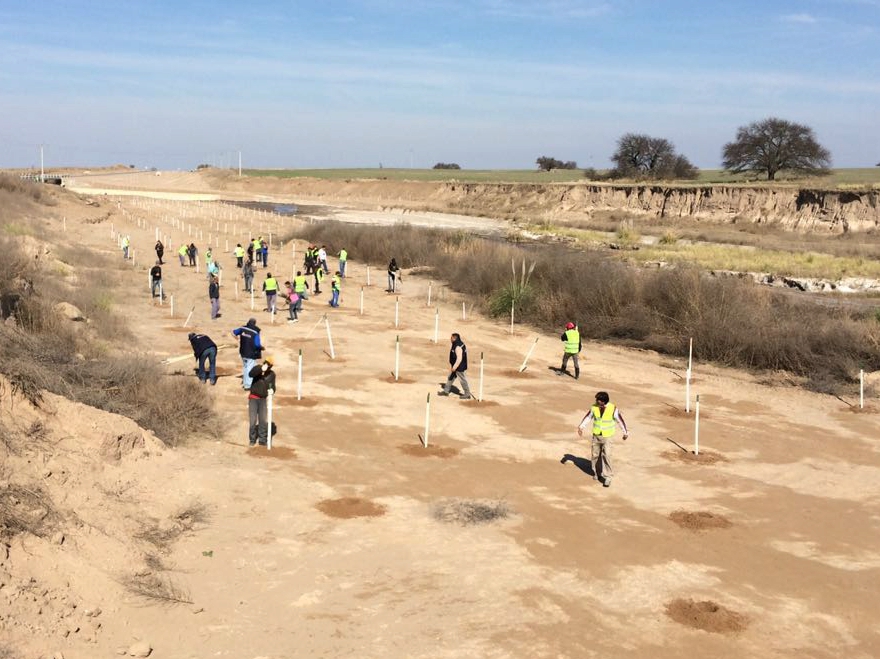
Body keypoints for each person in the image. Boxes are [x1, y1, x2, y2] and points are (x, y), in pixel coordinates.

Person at [576, 391, 629, 487]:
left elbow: (620, 420)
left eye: (598, 400)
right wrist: (581, 427)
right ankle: (597, 472)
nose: (596, 401)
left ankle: (608, 477)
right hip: (596, 435)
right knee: (595, 455)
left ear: (604, 401)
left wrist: (625, 433)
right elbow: (588, 417)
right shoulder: (594, 407)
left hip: (607, 436)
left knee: (607, 455)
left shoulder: (613, 408)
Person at [247, 356, 276, 446]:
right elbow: (250, 374)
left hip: (263, 399)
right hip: (253, 398)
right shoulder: (257, 370)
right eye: (266, 363)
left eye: (269, 364)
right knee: (253, 421)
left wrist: (272, 390)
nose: (267, 365)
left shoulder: (272, 375)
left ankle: (262, 440)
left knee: (263, 420)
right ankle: (252, 439)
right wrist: (260, 369)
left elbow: (272, 385)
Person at [438, 332, 472, 400]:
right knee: (450, 377)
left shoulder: (457, 346)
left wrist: (454, 367)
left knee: (462, 380)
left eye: (451, 338)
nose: (450, 339)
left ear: (454, 338)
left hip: (459, 366)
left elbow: (459, 359)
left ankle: (467, 394)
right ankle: (446, 391)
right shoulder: (458, 343)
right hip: (457, 365)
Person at [232, 318, 263, 390]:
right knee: (249, 368)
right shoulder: (255, 332)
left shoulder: (242, 328)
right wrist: (261, 348)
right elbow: (257, 344)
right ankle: (248, 385)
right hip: (251, 353)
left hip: (243, 352)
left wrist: (237, 339)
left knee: (245, 367)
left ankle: (246, 382)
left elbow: (233, 332)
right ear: (255, 323)